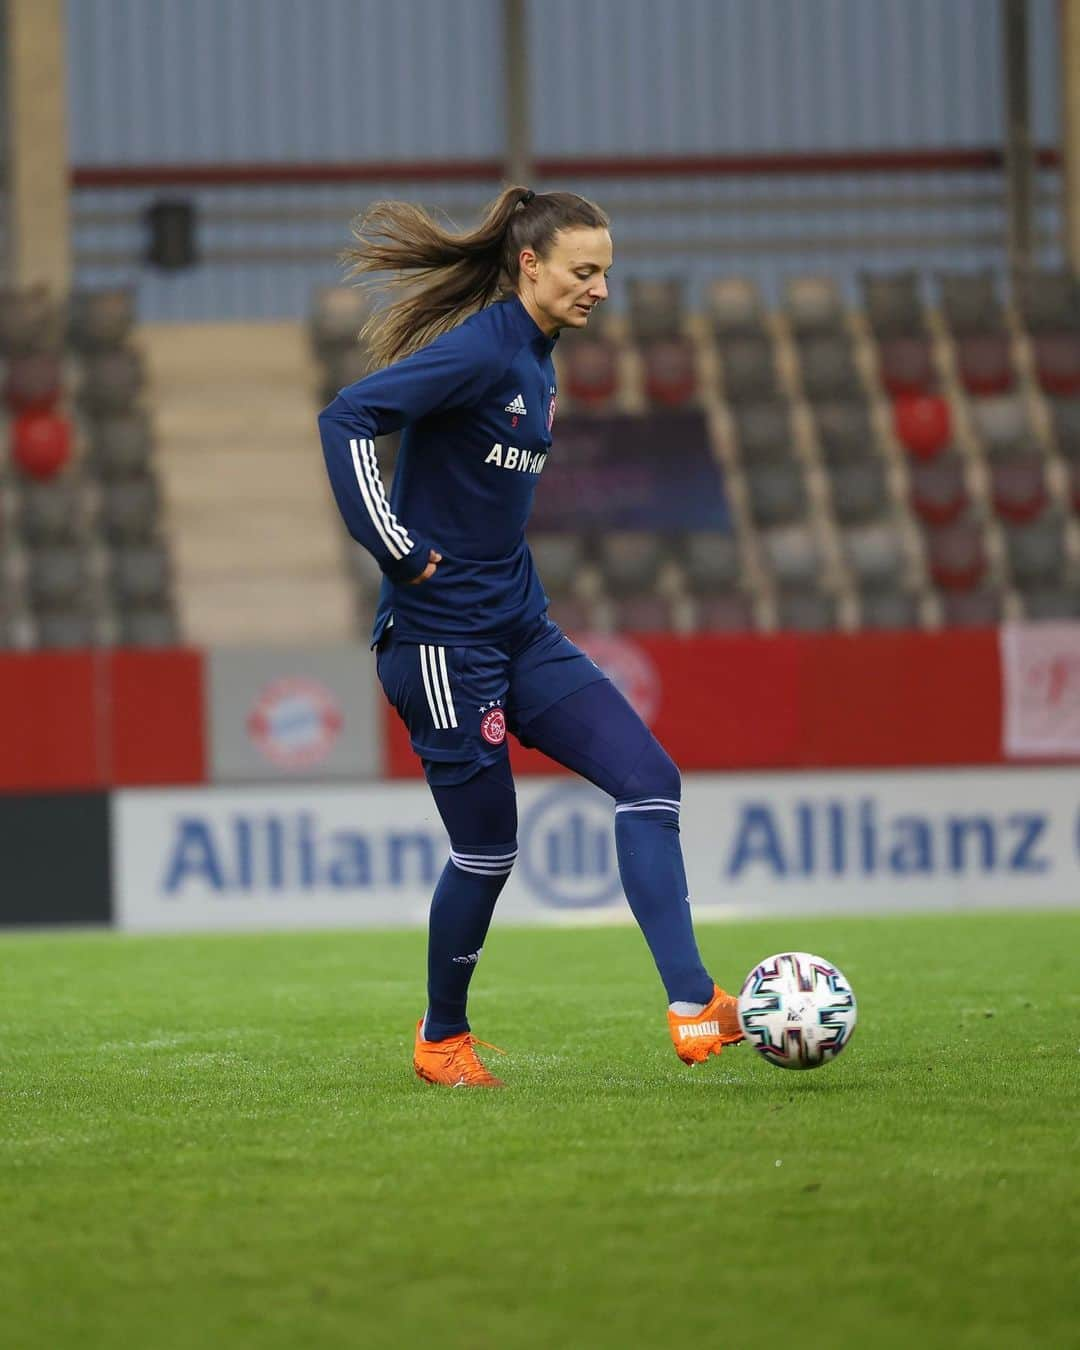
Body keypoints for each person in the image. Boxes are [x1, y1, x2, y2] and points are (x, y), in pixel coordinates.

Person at [317, 185, 743, 1087]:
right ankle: (442, 1040)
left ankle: (694, 1003)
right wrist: (395, 549)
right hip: (439, 645)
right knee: (489, 850)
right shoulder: (481, 351)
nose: (598, 289)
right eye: (584, 272)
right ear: (531, 266)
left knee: (649, 782)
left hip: (518, 628)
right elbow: (346, 417)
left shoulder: (539, 361)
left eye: (607, 274)